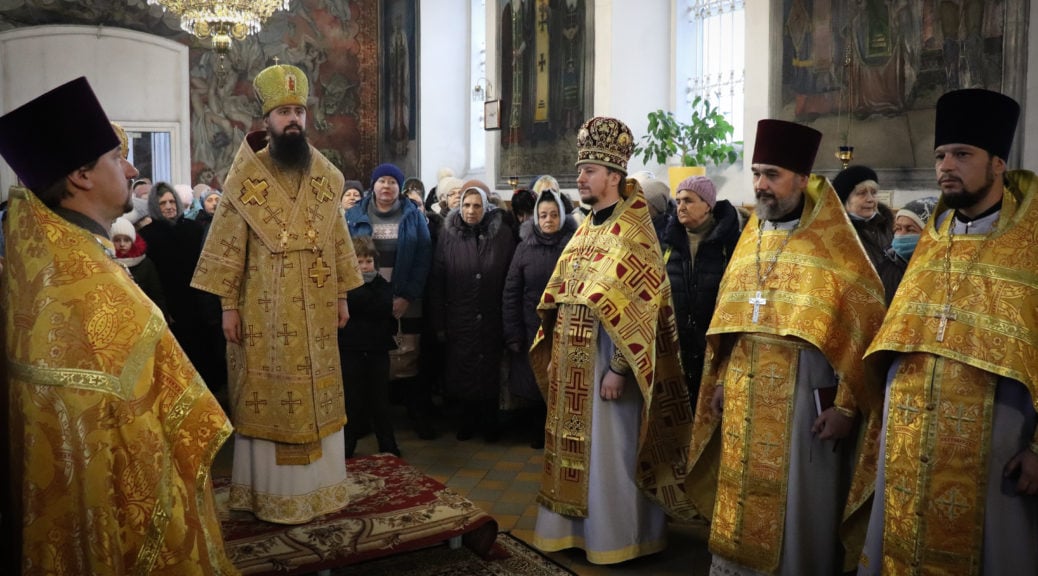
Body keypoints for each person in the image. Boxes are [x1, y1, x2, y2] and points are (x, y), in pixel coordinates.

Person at [0, 76, 235, 574]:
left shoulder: (47, 269)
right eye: (115, 157)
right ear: (82, 176)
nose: (131, 168)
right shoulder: (92, 292)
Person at [684, 119, 888, 575]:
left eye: (772, 174)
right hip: (742, 396)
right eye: (756, 173)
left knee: (799, 513)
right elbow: (729, 324)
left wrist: (849, 409)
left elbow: (865, 333)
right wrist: (720, 380)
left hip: (804, 407)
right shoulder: (750, 239)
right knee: (737, 503)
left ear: (802, 178)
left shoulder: (835, 247)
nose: (760, 185)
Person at [858, 88, 1038, 575]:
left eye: (962, 154)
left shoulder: (1032, 240)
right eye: (940, 155)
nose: (945, 167)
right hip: (911, 433)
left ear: (998, 162)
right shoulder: (932, 238)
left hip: (996, 436)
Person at [191, 62, 363, 524]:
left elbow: (337, 238)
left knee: (316, 394)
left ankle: (322, 490)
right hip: (261, 310)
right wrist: (228, 305)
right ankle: (266, 494)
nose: (293, 119)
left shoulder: (325, 175)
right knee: (265, 395)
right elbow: (229, 245)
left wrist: (344, 296)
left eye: (299, 111)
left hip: (318, 305)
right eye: (284, 111)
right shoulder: (244, 179)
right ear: (266, 119)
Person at [529, 116, 695, 564]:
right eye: (580, 170)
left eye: (588, 171)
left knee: (610, 453)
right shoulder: (587, 227)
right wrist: (555, 355)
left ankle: (619, 538)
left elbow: (643, 307)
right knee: (571, 447)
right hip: (573, 361)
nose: (579, 177)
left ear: (614, 177)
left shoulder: (633, 232)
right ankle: (571, 533)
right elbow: (563, 293)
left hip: (608, 364)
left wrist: (619, 368)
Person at [346, 163, 434, 438]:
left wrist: (406, 296)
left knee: (407, 358)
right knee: (368, 357)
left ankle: (415, 415)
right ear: (373, 185)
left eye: (392, 182)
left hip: (405, 298)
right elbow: (345, 257)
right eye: (382, 181)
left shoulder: (413, 216)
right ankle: (364, 420)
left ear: (399, 187)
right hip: (365, 300)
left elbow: (423, 257)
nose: (387, 186)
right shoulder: (353, 215)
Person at [428, 179, 516, 441]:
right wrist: (440, 323)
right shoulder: (448, 234)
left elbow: (510, 277)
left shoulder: (502, 235)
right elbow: (438, 280)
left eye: (477, 205)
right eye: (466, 205)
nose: (471, 210)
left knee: (489, 369)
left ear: (486, 207)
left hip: (491, 315)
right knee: (463, 367)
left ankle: (489, 423)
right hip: (460, 315)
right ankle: (466, 422)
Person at [503, 187, 578, 448]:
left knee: (564, 380)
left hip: (566, 326)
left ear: (561, 216)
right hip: (531, 328)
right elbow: (511, 291)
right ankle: (539, 430)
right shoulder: (524, 248)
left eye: (554, 215)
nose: (548, 220)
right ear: (536, 217)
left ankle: (562, 431)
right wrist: (512, 332)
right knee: (535, 381)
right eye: (543, 215)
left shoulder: (575, 246)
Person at [660, 175, 742, 409]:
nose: (681, 207)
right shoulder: (667, 244)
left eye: (688, 200)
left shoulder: (730, 244)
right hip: (677, 349)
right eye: (677, 201)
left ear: (708, 204)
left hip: (715, 347)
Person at [339, 236, 400, 458]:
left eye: (368, 261)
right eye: (360, 262)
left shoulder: (381, 285)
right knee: (351, 400)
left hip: (376, 349)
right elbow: (357, 304)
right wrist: (361, 301)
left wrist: (359, 301)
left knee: (380, 400)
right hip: (351, 349)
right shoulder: (343, 288)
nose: (365, 266)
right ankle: (347, 446)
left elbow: (383, 307)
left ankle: (388, 444)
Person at [833, 165, 899, 302]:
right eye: (861, 193)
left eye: (873, 193)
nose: (870, 199)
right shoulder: (838, 235)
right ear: (844, 199)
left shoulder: (888, 225)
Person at [111, 215, 168, 318]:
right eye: (117, 240)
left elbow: (156, 294)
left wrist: (163, 319)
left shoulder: (145, 263)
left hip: (145, 313)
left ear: (133, 241)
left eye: (127, 240)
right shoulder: (107, 262)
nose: (122, 244)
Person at [880, 195, 938, 297]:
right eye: (898, 228)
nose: (901, 235)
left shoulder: (943, 272)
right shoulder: (886, 268)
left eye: (910, 229)